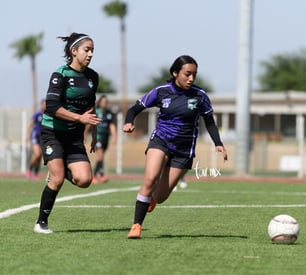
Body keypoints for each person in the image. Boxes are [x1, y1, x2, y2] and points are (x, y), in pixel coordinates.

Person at [123, 55, 228, 239]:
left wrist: (218, 143)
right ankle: (136, 225)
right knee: (150, 179)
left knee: (161, 196)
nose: (191, 79)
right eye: (187, 74)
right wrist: (128, 122)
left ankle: (152, 200)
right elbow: (135, 108)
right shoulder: (161, 91)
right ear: (175, 73)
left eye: (194, 75)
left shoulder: (200, 95)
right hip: (161, 141)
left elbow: (209, 121)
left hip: (184, 150)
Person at [33, 32, 100, 234]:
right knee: (58, 179)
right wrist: (79, 118)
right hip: (52, 132)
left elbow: (90, 107)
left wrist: (94, 131)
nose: (90, 54)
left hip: (74, 137)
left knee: (85, 180)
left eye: (92, 50)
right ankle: (41, 222)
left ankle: (58, 168)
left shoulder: (92, 77)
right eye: (86, 50)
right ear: (74, 51)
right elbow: (51, 107)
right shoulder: (60, 74)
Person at [86, 95, 117, 184]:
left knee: (101, 157)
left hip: (105, 138)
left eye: (106, 102)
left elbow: (112, 125)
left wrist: (115, 136)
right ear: (99, 102)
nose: (104, 103)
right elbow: (89, 123)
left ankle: (99, 174)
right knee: (100, 156)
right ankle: (97, 176)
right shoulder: (96, 112)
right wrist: (84, 134)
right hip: (97, 137)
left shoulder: (109, 113)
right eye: (103, 102)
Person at [26, 100, 46, 180]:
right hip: (35, 136)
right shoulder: (37, 114)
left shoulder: (48, 115)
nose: (45, 106)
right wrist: (27, 135)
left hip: (43, 137)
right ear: (41, 105)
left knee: (40, 157)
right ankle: (30, 169)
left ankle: (35, 174)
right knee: (37, 154)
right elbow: (31, 124)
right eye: (44, 104)